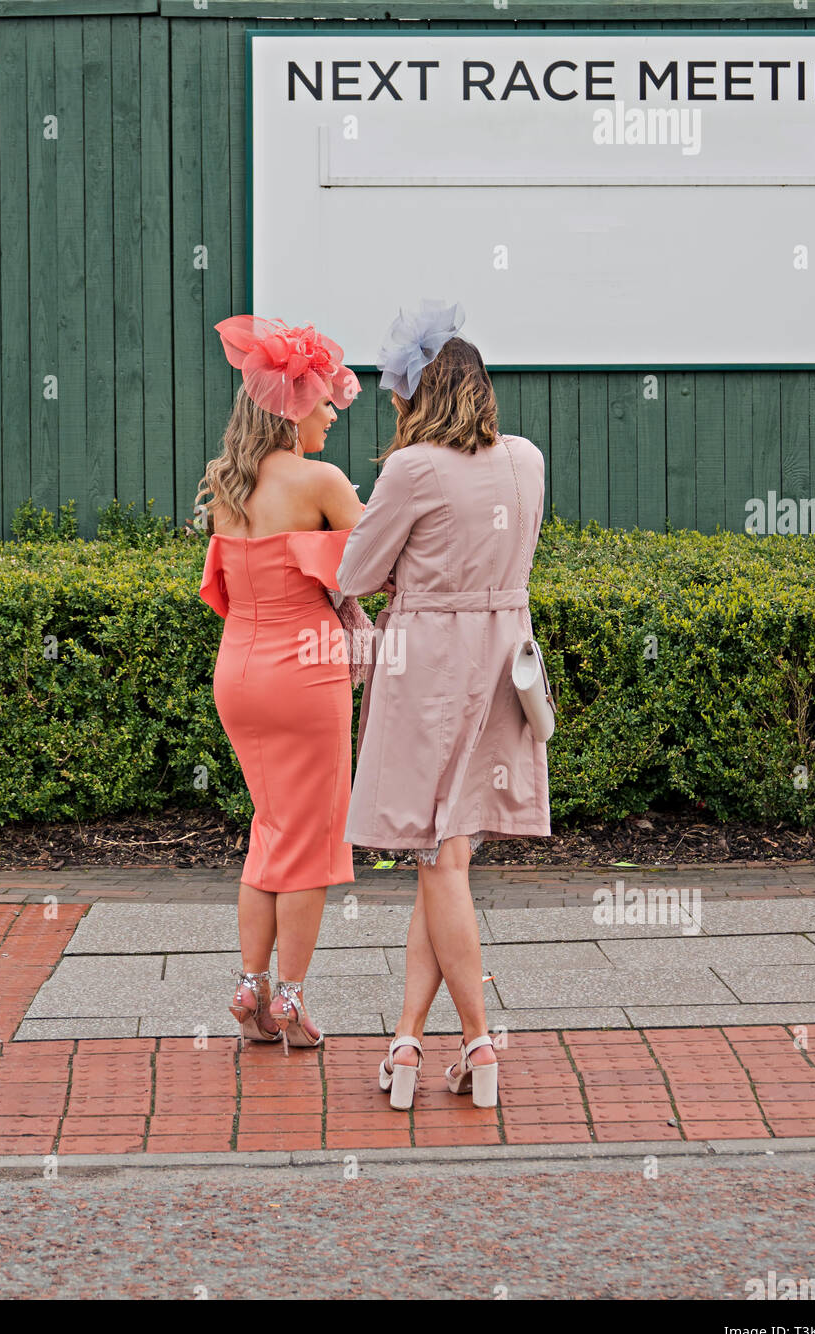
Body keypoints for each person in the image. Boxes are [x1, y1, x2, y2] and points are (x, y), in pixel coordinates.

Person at [335, 301, 550, 1109]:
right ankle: (407, 1041)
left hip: (428, 667)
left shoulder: (412, 469)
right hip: (502, 661)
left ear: (419, 396)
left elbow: (356, 572)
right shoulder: (526, 460)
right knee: (443, 857)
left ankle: (478, 1041)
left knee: (436, 855)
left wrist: (399, 570)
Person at [197, 315, 364, 1051]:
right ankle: (290, 1000)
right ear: (294, 406)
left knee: (270, 829)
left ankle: (250, 985)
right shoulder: (321, 480)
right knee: (314, 839)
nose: (332, 413)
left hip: (239, 672)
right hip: (305, 672)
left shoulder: (229, 486)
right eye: (326, 400)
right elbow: (381, 564)